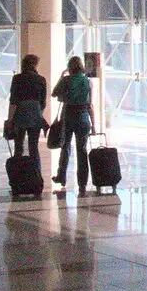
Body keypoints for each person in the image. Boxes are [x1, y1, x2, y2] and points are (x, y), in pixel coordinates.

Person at [52, 56, 93, 193]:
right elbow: (90, 104)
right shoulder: (87, 81)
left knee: (66, 146)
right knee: (82, 150)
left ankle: (61, 176)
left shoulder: (66, 80)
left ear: (69, 67)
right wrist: (94, 124)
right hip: (83, 117)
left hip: (69, 115)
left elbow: (54, 93)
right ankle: (82, 182)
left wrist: (61, 76)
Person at [7, 55, 48, 164]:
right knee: (33, 147)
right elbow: (43, 103)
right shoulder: (41, 80)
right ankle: (36, 174)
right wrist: (39, 115)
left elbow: (13, 101)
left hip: (20, 114)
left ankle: (18, 174)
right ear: (35, 65)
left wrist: (9, 120)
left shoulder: (17, 79)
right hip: (35, 115)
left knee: (18, 146)